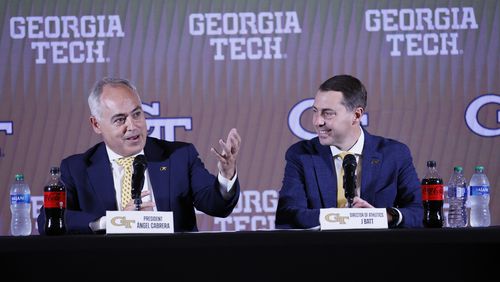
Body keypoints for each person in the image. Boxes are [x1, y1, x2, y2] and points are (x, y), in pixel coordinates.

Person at [37, 77, 241, 234]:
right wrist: (113, 222)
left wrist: (226, 175)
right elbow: (47, 219)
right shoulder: (77, 169)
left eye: (137, 114)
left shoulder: (179, 156)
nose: (132, 126)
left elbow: (217, 205)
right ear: (96, 124)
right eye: (119, 120)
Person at [275, 74, 423, 229]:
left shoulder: (394, 154)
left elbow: (419, 212)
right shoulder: (301, 155)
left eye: (328, 113)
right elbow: (288, 214)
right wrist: (342, 218)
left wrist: (382, 217)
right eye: (315, 111)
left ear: (356, 115)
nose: (317, 121)